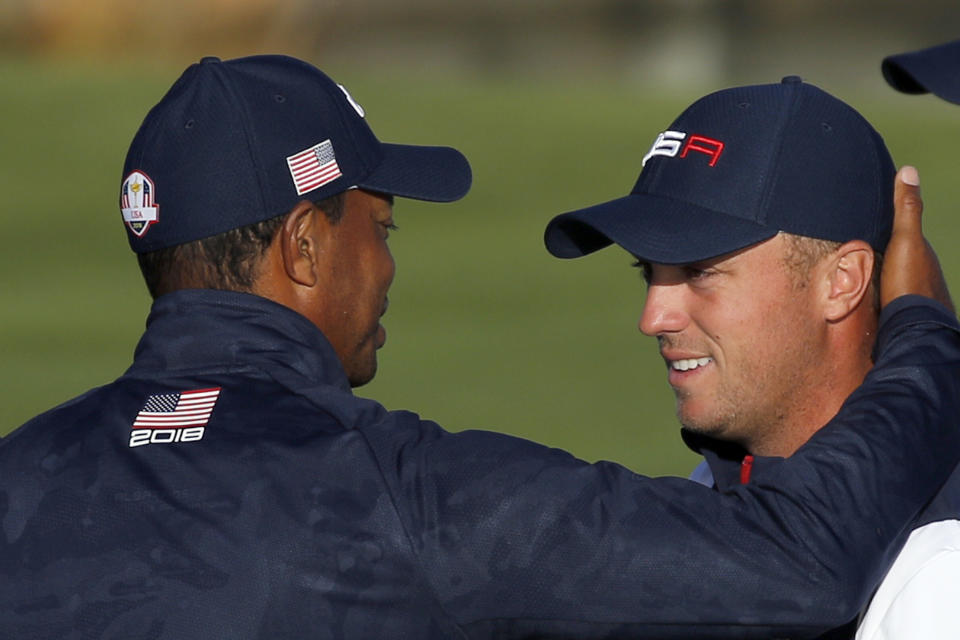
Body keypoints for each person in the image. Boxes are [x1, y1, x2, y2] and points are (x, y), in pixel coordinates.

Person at [0, 57, 958, 640]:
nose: (654, 317)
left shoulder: (20, 478)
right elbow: (795, 565)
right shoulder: (403, 497)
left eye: (697, 269)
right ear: (303, 245)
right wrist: (924, 339)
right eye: (382, 226)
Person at [544, 76, 958, 639]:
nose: (653, 318)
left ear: (842, 282)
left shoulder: (938, 573)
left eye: (699, 272)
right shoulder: (714, 494)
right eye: (649, 273)